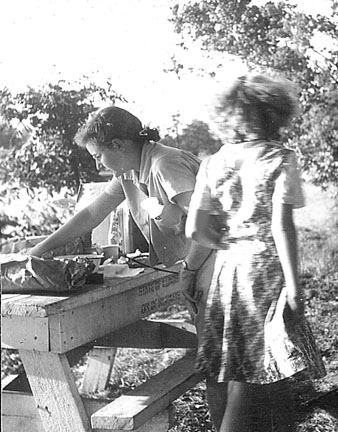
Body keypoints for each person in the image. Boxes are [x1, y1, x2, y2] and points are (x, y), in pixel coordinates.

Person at [28, 105, 226, 428]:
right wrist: (41, 248)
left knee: (222, 369)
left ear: (119, 145)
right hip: (200, 267)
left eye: (98, 155)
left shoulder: (165, 164)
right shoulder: (130, 173)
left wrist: (188, 271)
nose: (96, 164)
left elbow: (208, 226)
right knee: (218, 365)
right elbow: (92, 215)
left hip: (218, 268)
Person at [185, 74, 326, 431]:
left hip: (229, 268)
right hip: (264, 271)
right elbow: (282, 226)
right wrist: (295, 288)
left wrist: (228, 244)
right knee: (251, 376)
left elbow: (195, 229)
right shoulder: (280, 158)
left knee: (239, 366)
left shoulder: (214, 162)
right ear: (274, 113)